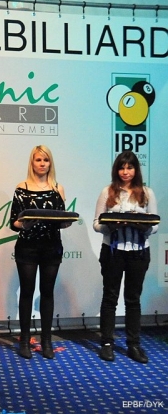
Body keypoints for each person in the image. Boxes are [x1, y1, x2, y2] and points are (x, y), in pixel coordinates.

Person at [93, 151, 158, 364]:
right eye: (122, 167)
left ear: (136, 170)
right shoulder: (107, 191)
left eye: (129, 167)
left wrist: (141, 226)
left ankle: (133, 344)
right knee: (110, 297)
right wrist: (111, 226)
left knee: (133, 299)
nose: (125, 171)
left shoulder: (147, 193)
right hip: (113, 251)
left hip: (139, 252)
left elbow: (155, 225)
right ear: (116, 170)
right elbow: (96, 223)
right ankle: (107, 343)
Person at [9, 145, 70, 359]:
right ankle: (25, 340)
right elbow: (13, 222)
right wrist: (23, 224)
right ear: (32, 163)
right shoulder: (22, 187)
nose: (42, 164)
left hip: (51, 247)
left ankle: (46, 341)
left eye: (46, 160)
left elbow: (62, 220)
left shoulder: (58, 188)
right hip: (27, 247)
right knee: (26, 292)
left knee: (47, 293)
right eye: (38, 160)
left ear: (50, 163)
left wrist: (66, 223)